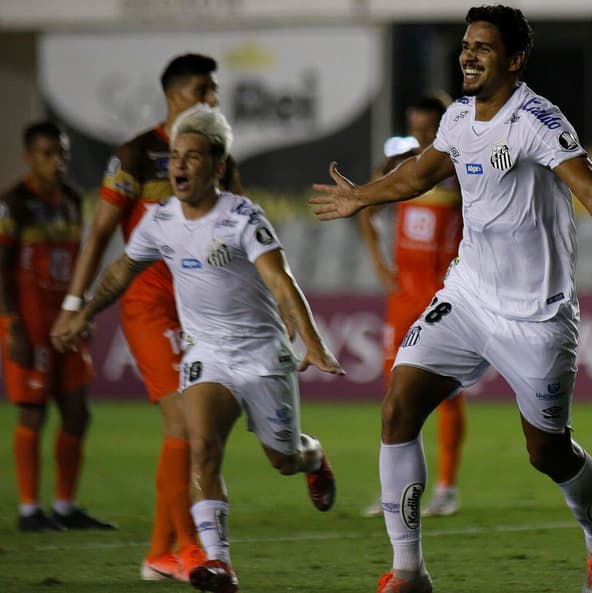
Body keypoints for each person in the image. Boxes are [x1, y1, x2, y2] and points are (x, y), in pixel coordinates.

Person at [310, 6, 592, 593]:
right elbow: (419, 174)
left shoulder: (536, 120)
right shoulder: (458, 117)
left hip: (537, 316)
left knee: (548, 453)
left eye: (483, 47)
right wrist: (364, 197)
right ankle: (409, 572)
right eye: (465, 46)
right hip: (468, 297)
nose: (469, 55)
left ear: (514, 59)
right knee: (398, 406)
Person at [52, 105, 343, 593]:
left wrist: (312, 343)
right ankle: (218, 562)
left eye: (191, 156)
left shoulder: (243, 217)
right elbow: (123, 269)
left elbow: (281, 280)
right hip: (207, 353)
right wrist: (84, 310)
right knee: (202, 447)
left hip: (261, 354)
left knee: (283, 459)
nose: (179, 166)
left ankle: (313, 458)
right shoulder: (161, 219)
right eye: (174, 157)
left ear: (218, 167)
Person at [50, 53, 241, 581]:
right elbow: (100, 232)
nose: (213, 98)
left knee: (199, 429)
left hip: (200, 307)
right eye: (204, 89)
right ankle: (190, 549)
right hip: (148, 301)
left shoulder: (219, 154)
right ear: (173, 95)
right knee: (184, 420)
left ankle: (160, 553)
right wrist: (74, 304)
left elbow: (238, 228)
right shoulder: (136, 154)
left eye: (214, 90)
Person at [1, 121, 116, 532]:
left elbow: (78, 260)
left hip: (64, 319)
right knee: (33, 411)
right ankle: (30, 509)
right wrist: (12, 324)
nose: (57, 162)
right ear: (29, 157)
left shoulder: (70, 199)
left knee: (77, 412)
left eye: (62, 153)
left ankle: (65, 506)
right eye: (47, 154)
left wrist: (81, 309)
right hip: (29, 321)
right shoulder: (13, 204)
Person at [358, 93, 467, 518]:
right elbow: (365, 208)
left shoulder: (459, 166)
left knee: (447, 392)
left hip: (445, 295)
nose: (421, 136)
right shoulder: (400, 165)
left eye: (428, 129)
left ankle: (446, 488)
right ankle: (397, 491)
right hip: (403, 296)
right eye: (415, 128)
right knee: (396, 397)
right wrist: (378, 262)